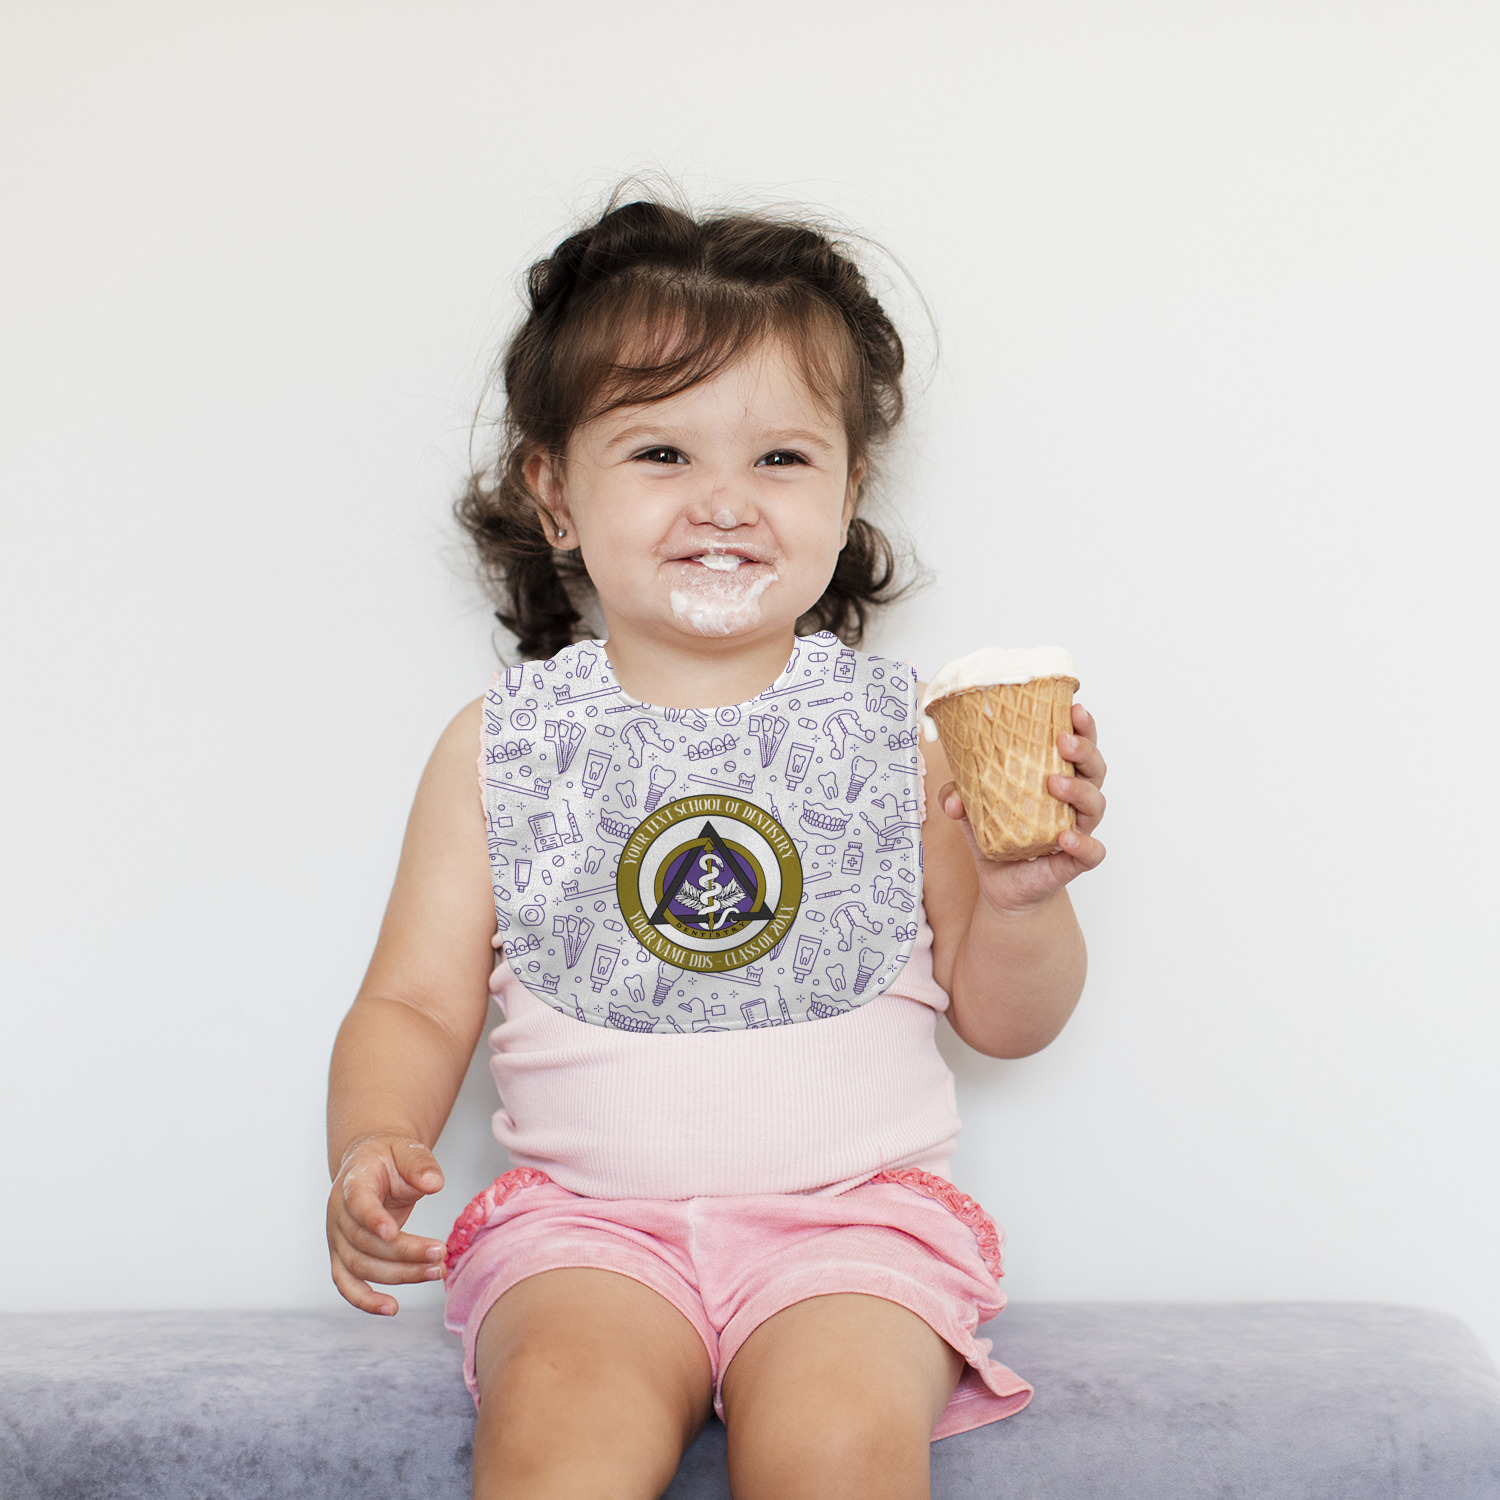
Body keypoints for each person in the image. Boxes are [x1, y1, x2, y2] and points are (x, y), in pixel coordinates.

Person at [325, 193, 1108, 1500]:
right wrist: (372, 1138)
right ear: (554, 492)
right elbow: (411, 999)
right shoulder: (500, 746)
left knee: (838, 1445)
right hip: (589, 1235)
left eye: (781, 458)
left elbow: (1007, 1023)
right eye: (662, 452)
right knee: (558, 1436)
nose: (726, 502)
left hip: (851, 1228)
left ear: (848, 492)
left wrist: (1023, 899)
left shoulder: (908, 739)